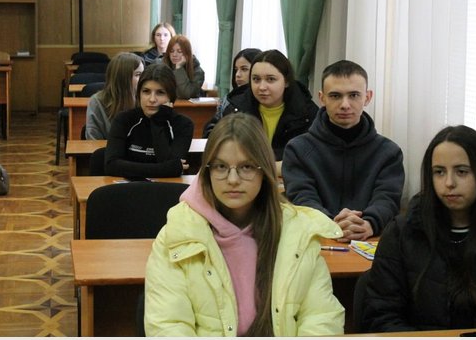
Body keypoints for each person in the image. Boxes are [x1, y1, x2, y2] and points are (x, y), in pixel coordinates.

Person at [145, 113, 346, 336]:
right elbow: (168, 326)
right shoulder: (177, 236)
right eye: (221, 167)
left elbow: (321, 318)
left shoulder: (298, 232)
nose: (233, 180)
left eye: (247, 167)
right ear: (207, 171)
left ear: (265, 171)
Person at [362, 125, 476, 332]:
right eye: (439, 172)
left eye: (462, 172)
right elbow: (381, 316)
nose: (449, 183)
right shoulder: (401, 233)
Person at [282, 60, 404, 241]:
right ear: (322, 98)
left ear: (367, 97)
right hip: (318, 239)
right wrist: (332, 225)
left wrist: (369, 224)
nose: (345, 104)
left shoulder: (389, 152)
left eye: (354, 95)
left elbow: (387, 199)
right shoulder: (298, 149)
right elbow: (303, 199)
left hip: (370, 239)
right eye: (335, 96)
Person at [209, 49, 318, 174]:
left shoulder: (307, 113)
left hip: (291, 181)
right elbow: (222, 153)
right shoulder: (235, 108)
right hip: (242, 177)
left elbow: (309, 160)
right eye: (256, 79)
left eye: (270, 79)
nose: (262, 87)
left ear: (287, 81)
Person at [104, 63, 194, 179]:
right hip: (128, 187)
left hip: (166, 188)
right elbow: (111, 166)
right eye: (146, 91)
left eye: (160, 92)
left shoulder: (183, 125)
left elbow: (171, 170)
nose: (152, 99)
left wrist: (158, 121)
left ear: (170, 96)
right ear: (139, 94)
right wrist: (166, 169)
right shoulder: (123, 120)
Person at [202, 47, 261, 137]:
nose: (237, 75)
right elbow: (211, 128)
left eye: (244, 69)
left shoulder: (262, 98)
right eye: (236, 70)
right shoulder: (228, 99)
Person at [85, 52, 143, 140]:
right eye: (138, 74)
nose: (143, 79)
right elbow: (93, 140)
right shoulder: (97, 102)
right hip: (107, 149)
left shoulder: (145, 99)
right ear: (123, 77)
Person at [162, 35, 205, 99]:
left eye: (179, 51)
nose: (174, 55)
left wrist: (179, 68)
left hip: (186, 105)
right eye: (171, 51)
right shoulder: (162, 66)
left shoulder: (197, 72)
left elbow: (186, 94)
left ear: (187, 53)